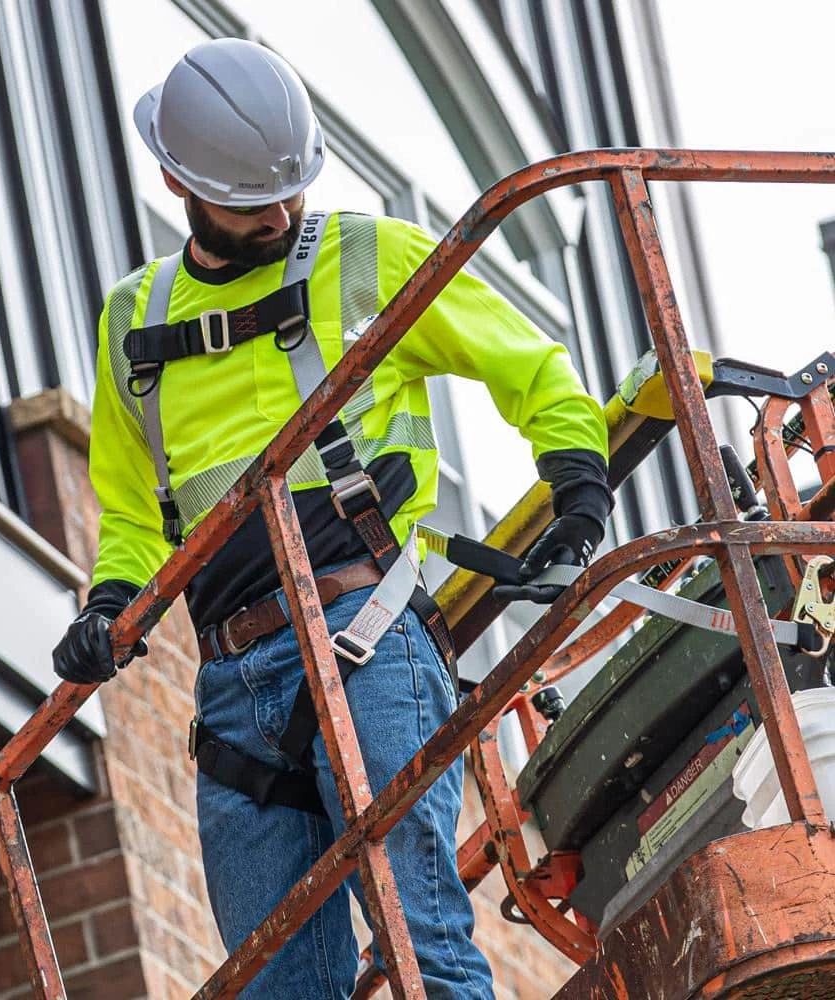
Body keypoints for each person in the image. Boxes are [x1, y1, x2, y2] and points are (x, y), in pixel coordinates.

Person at [53, 37, 612, 1000]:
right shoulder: (130, 323)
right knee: (268, 984)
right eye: (251, 201)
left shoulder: (365, 257)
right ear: (173, 181)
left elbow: (531, 363)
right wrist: (110, 604)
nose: (280, 214)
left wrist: (576, 484)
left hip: (367, 635)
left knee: (417, 941)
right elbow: (137, 511)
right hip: (232, 686)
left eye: (291, 190)